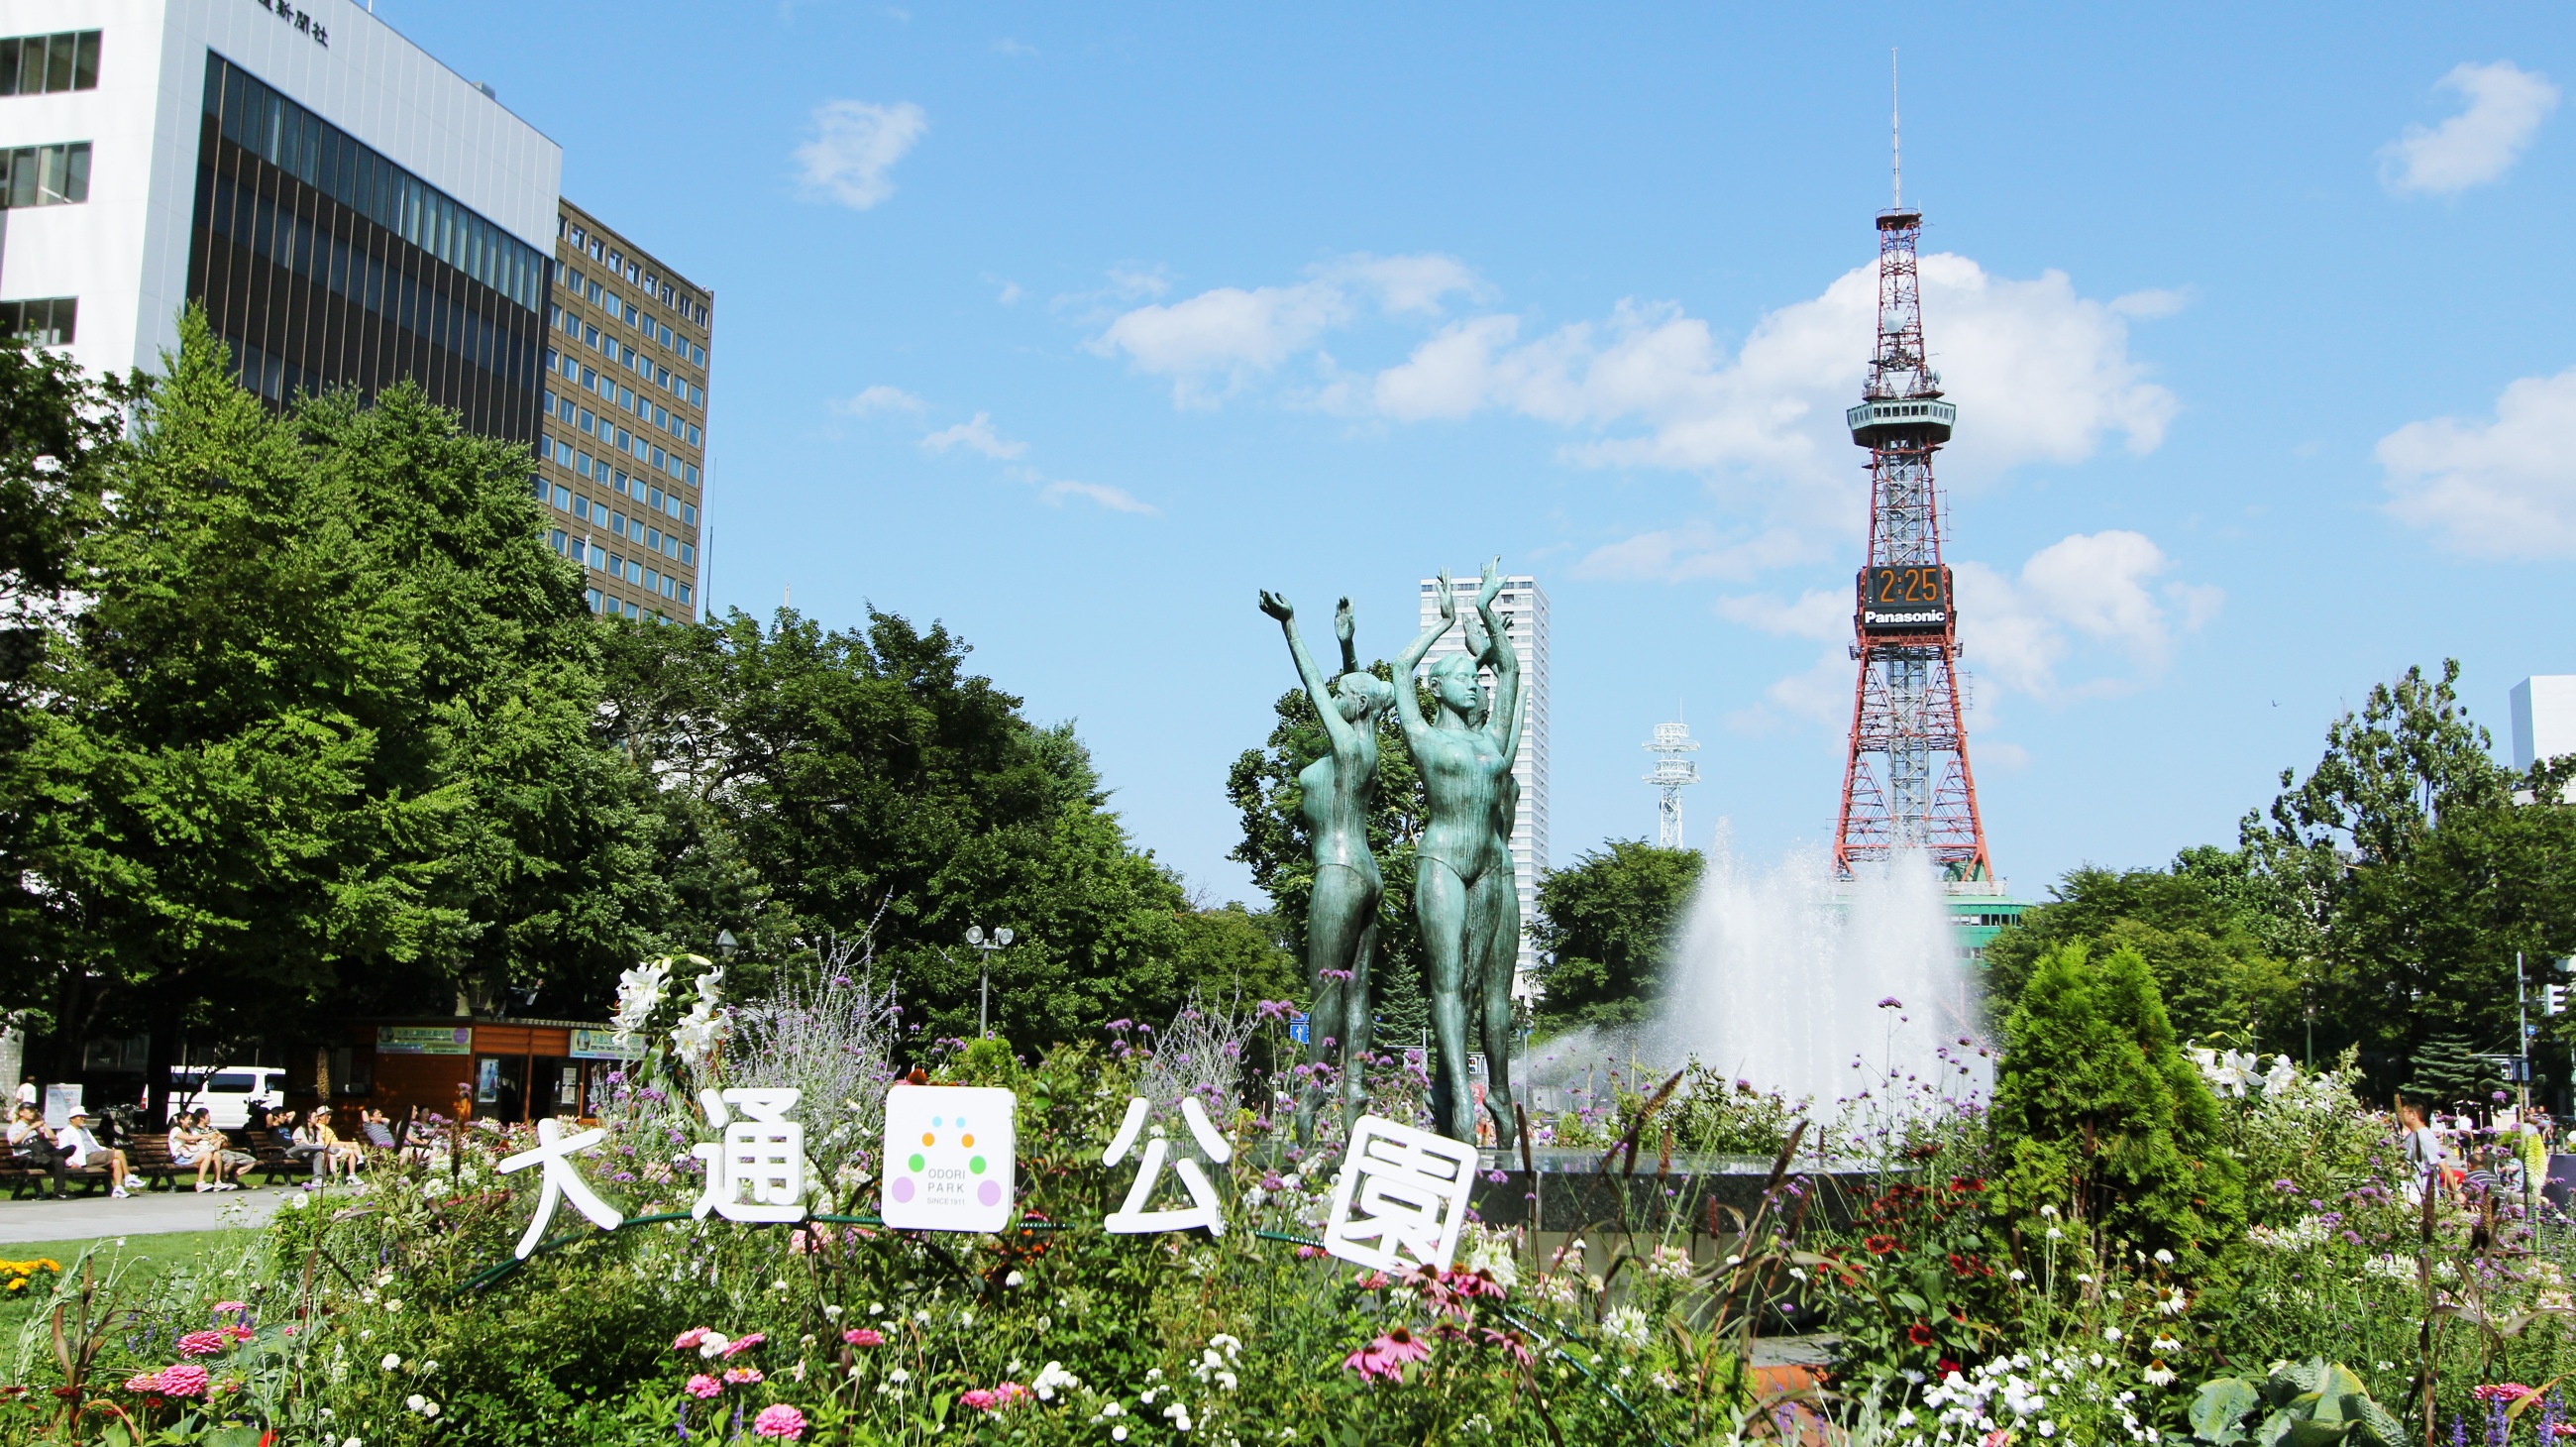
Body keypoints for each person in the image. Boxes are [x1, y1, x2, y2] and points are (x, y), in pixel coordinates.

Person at [1390, 560, 1528, 1142]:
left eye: (1477, 677)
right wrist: (1442, 624)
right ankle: (1459, 1103)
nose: (1475, 681)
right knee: (1449, 984)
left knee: (1497, 991)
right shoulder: (1424, 735)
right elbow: (1399, 667)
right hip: (1444, 861)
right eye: (1462, 676)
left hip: (1495, 864)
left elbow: (1513, 670)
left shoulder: (1492, 737)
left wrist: (1486, 610)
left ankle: (1498, 1089)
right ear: (1438, 686)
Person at [1257, 590, 1397, 1143]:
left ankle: (1307, 1114)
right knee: (1355, 993)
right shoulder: (1363, 747)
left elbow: (1319, 690)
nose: (1335, 697)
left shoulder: (1348, 748)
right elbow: (1351, 690)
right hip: (1364, 872)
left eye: (1345, 695)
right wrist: (1348, 647)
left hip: (1336, 875)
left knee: (1324, 994)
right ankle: (1354, 1102)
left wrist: (1291, 628)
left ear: (1354, 708)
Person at [6, 1103, 73, 1197]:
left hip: (42, 1156)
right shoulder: (15, 1127)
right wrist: (30, 1128)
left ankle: (59, 1193)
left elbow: (53, 1137)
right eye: (30, 1110)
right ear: (21, 1113)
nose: (32, 1113)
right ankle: (60, 1192)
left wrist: (42, 1123)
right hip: (27, 1158)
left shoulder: (36, 1127)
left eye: (33, 1110)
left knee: (67, 1151)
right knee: (58, 1158)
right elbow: (15, 1141)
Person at [58, 1111, 128, 1198]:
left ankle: (118, 1189)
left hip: (96, 1155)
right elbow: (63, 1151)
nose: (83, 1119)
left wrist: (107, 1150)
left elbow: (95, 1145)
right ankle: (128, 1177)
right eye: (80, 1117)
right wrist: (70, 1163)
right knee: (119, 1152)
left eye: (84, 1117)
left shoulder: (85, 1130)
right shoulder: (66, 1132)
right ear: (72, 1119)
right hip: (85, 1158)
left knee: (116, 1161)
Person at [2399, 1100, 2455, 1205]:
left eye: (2403, 1112)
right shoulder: (2410, 1137)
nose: (2400, 1115)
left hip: (2422, 1195)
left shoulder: (2425, 1137)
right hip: (2409, 1192)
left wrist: (2455, 1194)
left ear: (2413, 1115)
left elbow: (2444, 1167)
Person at [284, 1110, 331, 1186]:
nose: (317, 1118)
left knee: (319, 1153)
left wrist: (321, 1146)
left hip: (305, 1154)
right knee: (302, 1146)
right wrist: (320, 1146)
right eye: (315, 1117)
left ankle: (317, 1179)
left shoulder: (316, 1130)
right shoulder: (301, 1129)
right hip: (294, 1153)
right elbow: (307, 1145)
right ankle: (329, 1150)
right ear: (308, 1119)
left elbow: (321, 1143)